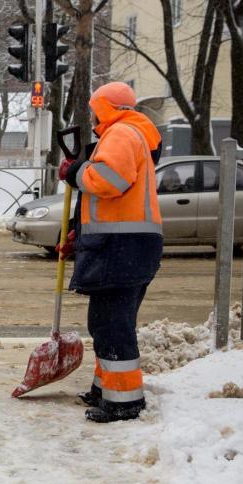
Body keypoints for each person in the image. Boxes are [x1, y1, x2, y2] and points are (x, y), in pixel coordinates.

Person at [58, 81, 163, 423]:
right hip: (131, 246)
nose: (92, 117)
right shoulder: (137, 135)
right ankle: (107, 390)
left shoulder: (120, 134)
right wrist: (79, 233)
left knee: (110, 324)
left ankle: (124, 403)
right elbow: (111, 202)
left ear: (106, 107)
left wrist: (76, 171)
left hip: (122, 247)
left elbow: (109, 181)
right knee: (111, 322)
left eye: (94, 109)